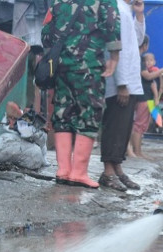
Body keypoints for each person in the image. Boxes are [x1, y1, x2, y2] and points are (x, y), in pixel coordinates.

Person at [41, 0, 121, 188]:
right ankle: (78, 173)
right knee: (90, 114)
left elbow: (46, 32)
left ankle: (63, 170)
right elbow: (111, 23)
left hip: (61, 65)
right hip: (89, 65)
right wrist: (114, 56)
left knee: (62, 112)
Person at [99, 0, 145, 191]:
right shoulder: (116, 8)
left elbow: (138, 40)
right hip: (121, 81)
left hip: (130, 81)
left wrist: (140, 14)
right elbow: (117, 49)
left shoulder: (127, 10)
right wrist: (122, 83)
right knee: (115, 125)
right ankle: (108, 172)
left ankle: (117, 168)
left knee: (124, 127)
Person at [129, 50, 163, 159]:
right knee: (139, 125)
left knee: (145, 124)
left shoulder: (154, 71)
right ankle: (137, 151)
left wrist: (158, 94)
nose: (149, 63)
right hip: (143, 99)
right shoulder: (144, 68)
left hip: (149, 99)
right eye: (147, 61)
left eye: (151, 60)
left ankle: (138, 150)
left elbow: (156, 83)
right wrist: (162, 70)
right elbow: (149, 77)